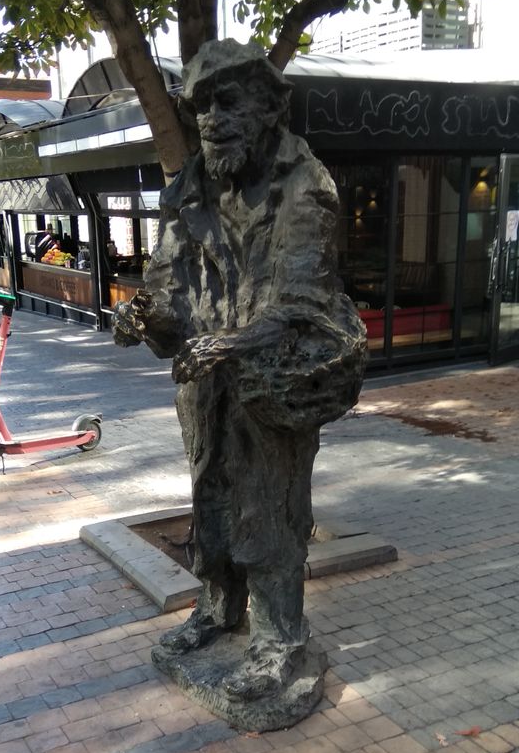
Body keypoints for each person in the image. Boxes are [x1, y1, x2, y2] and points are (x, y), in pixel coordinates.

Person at [112, 39, 366, 702]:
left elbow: (300, 297)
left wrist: (230, 344)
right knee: (211, 497)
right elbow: (168, 288)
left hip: (274, 378)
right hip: (205, 384)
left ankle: (281, 640)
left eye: (227, 102)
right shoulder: (189, 189)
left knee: (268, 506)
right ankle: (218, 610)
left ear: (266, 107)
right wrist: (146, 316)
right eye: (200, 107)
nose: (211, 120)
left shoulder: (302, 184)